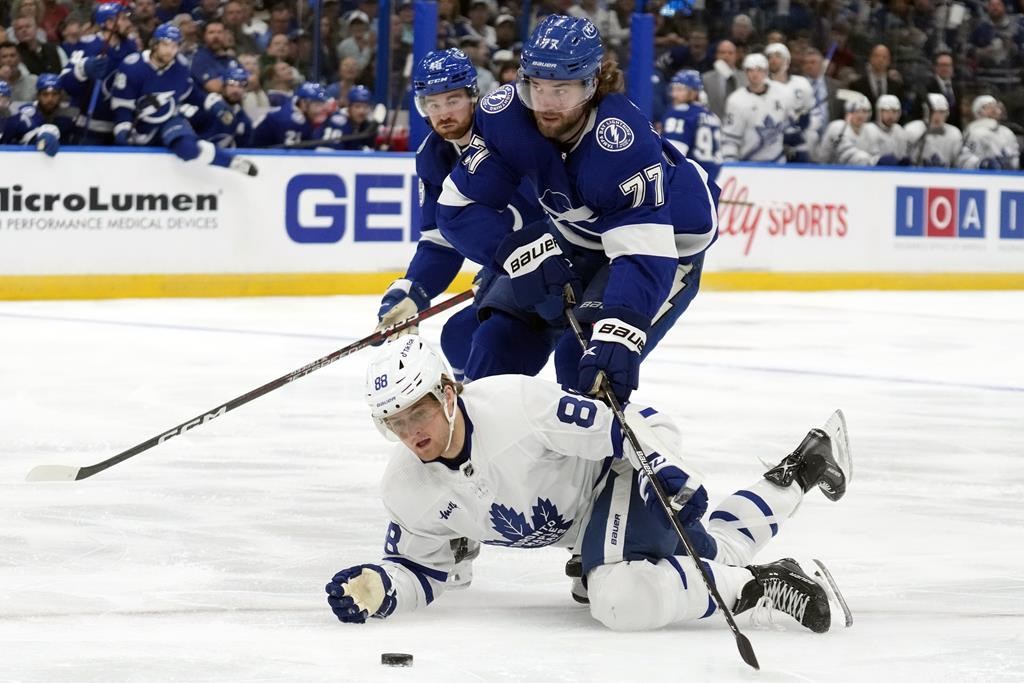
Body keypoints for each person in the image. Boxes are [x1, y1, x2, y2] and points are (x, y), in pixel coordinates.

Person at [324, 336, 851, 632]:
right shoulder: (405, 487)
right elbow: (423, 569)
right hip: (584, 518)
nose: (412, 432)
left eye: (418, 411)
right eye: (395, 422)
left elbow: (618, 429)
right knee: (710, 555)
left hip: (624, 462)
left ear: (447, 392)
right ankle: (796, 475)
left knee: (620, 598)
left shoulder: (516, 405)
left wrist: (664, 473)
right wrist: (382, 586)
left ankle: (758, 587)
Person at [436, 15, 720, 406]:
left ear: (592, 84)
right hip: (576, 235)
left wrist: (619, 331)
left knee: (584, 359)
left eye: (562, 90)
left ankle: (606, 461)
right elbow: (458, 208)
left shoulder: (620, 143)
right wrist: (517, 253)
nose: (547, 105)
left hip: (667, 244)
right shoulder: (507, 116)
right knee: (494, 340)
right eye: (537, 86)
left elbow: (641, 256)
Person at [111, 24, 258, 175]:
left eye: (175, 46)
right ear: (154, 44)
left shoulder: (180, 65)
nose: (170, 51)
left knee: (188, 149)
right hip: (140, 125)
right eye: (166, 45)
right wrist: (123, 128)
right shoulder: (132, 66)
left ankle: (232, 162)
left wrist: (215, 105)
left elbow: (191, 93)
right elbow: (123, 104)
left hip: (170, 120)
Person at [58, 2, 137, 144]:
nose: (128, 23)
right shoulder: (87, 45)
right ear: (108, 23)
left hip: (121, 127)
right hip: (88, 129)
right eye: (124, 19)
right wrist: (82, 69)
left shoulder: (130, 47)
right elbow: (64, 82)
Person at [722, 53, 789, 163]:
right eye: (750, 70)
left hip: (778, 161)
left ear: (766, 71)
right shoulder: (736, 100)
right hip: (749, 162)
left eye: (759, 69)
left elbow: (789, 123)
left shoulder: (781, 93)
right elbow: (730, 137)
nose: (755, 74)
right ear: (745, 72)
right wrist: (730, 161)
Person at [660, 69, 723, 181]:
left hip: (690, 179)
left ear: (694, 92)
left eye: (680, 90)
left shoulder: (679, 113)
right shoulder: (712, 116)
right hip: (713, 178)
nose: (674, 94)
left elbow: (673, 153)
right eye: (674, 89)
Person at [0, 72, 74, 154]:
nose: (50, 99)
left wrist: (42, 138)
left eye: (3, 100)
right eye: (45, 94)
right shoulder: (27, 112)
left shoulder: (18, 119)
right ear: (38, 95)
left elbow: (30, 137)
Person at [250, 80, 331, 147]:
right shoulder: (288, 121)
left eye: (322, 104)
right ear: (304, 103)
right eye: (317, 105)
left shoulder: (296, 106)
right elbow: (292, 155)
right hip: (259, 156)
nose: (321, 109)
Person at [192, 66, 253, 148]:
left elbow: (243, 151)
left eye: (241, 85)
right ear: (223, 86)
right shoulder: (206, 107)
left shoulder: (244, 121)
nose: (236, 90)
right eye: (231, 84)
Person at [960, 95, 1019, 170]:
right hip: (982, 176)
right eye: (988, 106)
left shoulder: (1007, 132)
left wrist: (1011, 163)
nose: (993, 109)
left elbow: (1015, 156)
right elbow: (964, 159)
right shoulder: (973, 131)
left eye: (994, 105)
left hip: (1007, 176)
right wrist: (982, 163)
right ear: (978, 111)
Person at [905, 93, 963, 168]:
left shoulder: (954, 133)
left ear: (947, 113)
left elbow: (960, 161)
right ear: (925, 111)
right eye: (933, 111)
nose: (937, 116)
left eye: (941, 112)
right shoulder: (912, 130)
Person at [869, 95, 910, 166]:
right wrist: (877, 160)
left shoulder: (899, 130)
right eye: (887, 111)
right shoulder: (869, 129)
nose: (890, 115)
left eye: (894, 111)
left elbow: (901, 155)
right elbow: (865, 158)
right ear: (879, 112)